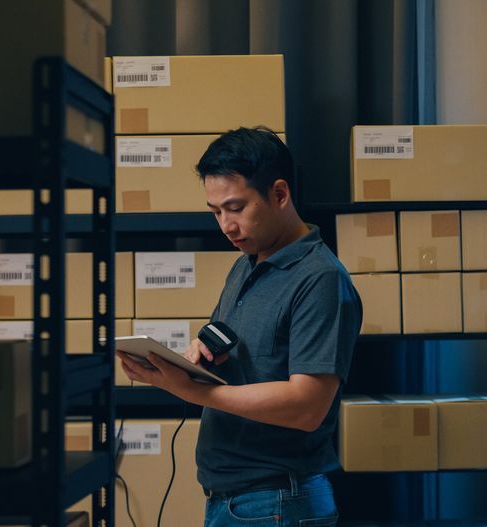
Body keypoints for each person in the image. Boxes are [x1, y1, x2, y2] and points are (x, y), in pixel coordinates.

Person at [117, 126, 362, 527]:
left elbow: (307, 407)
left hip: (278, 501)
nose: (225, 225)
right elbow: (245, 360)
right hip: (236, 500)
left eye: (236, 207)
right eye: (215, 211)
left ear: (280, 194)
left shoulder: (320, 279)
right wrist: (202, 359)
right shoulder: (245, 265)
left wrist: (193, 390)